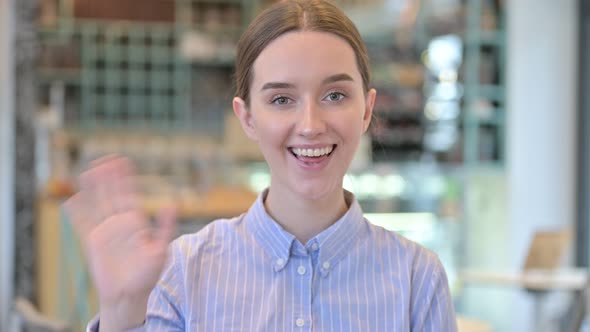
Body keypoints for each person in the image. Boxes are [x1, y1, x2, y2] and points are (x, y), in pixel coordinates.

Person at [64, 0, 458, 331]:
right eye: (282, 100)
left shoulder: (417, 278)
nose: (310, 125)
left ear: (367, 109)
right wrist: (122, 310)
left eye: (335, 95)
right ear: (247, 117)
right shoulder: (184, 270)